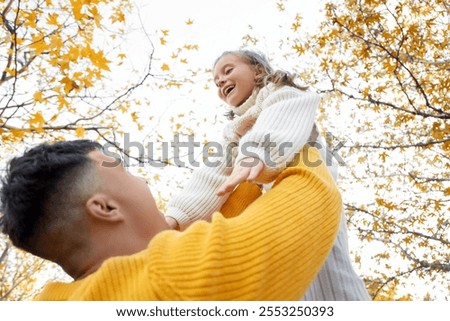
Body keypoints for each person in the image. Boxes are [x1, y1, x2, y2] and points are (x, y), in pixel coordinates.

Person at [0, 139, 342, 300]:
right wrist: (290, 144)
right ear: (105, 208)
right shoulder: (175, 279)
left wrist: (242, 177)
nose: (144, 182)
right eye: (126, 172)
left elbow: (221, 234)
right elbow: (311, 197)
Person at [165, 49, 371, 300]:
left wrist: (256, 153)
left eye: (228, 70)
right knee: (280, 272)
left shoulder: (282, 94)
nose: (220, 81)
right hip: (264, 204)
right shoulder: (234, 133)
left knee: (327, 271)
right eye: (216, 81)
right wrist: (177, 217)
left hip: (307, 192)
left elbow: (281, 117)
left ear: (258, 70)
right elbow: (211, 175)